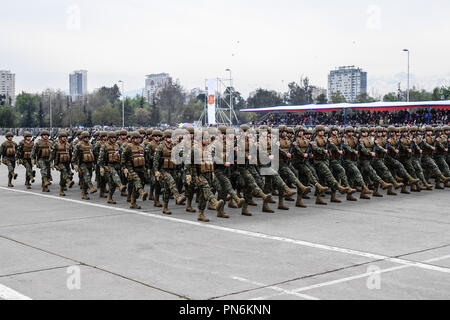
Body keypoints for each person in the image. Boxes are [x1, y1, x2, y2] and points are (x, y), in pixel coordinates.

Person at [121, 132, 149, 209]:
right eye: (136, 138)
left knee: (139, 184)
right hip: (131, 168)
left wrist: (147, 168)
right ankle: (142, 192)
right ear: (132, 139)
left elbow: (144, 158)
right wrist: (124, 168)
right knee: (137, 181)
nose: (138, 139)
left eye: (139, 138)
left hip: (140, 168)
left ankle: (133, 202)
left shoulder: (141, 147)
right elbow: (123, 158)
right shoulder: (128, 147)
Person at [98, 132, 126, 204]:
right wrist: (101, 167)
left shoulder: (117, 145)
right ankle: (120, 185)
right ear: (109, 138)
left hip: (117, 165)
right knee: (113, 176)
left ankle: (110, 198)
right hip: (108, 166)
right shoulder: (104, 146)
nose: (113, 139)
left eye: (114, 138)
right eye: (112, 138)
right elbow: (100, 159)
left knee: (113, 184)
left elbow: (120, 156)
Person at [72, 131, 97, 199]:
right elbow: (74, 156)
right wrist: (75, 164)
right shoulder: (78, 145)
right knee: (87, 176)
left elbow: (93, 155)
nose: (86, 138)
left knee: (88, 178)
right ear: (82, 138)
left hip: (89, 163)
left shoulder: (90, 145)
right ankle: (91, 187)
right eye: (85, 137)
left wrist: (94, 164)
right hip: (82, 164)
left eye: (88, 137)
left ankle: (84, 192)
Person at [49, 130, 74, 196]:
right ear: (60, 138)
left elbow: (71, 154)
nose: (64, 138)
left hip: (67, 162)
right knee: (64, 171)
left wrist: (73, 163)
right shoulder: (56, 145)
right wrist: (51, 163)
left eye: (65, 137)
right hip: (59, 163)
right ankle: (68, 181)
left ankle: (61, 190)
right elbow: (52, 154)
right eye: (63, 137)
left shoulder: (68, 145)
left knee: (63, 177)